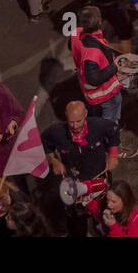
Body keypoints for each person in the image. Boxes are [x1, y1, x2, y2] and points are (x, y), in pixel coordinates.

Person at [43, 99, 120, 237]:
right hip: (74, 184)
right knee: (77, 221)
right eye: (71, 121)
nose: (75, 126)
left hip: (99, 180)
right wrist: (53, 160)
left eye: (78, 121)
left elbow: (113, 131)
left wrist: (113, 154)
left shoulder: (98, 125)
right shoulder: (57, 132)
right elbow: (45, 142)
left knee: (105, 214)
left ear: (85, 114)